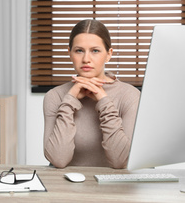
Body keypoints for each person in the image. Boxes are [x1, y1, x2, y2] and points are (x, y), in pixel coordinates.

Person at [43, 19, 140, 169]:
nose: (86, 59)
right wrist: (69, 100)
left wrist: (103, 100)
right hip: (68, 186)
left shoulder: (130, 96)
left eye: (95, 51)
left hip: (116, 187)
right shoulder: (55, 96)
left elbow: (121, 161)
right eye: (79, 50)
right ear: (69, 53)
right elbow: (58, 159)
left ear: (109, 54)